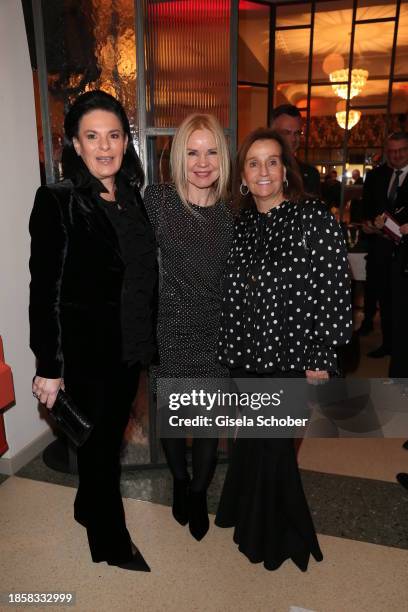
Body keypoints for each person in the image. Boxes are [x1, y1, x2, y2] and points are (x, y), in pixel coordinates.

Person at [29, 90, 157, 571]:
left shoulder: (130, 199)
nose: (105, 146)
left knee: (110, 439)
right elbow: (46, 291)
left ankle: (86, 507)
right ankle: (110, 541)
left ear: (126, 141)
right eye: (92, 136)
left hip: (130, 349)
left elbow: (141, 275)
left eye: (114, 135)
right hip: (86, 356)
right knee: (102, 452)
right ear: (75, 145)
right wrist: (49, 367)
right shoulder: (57, 201)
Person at [215, 128, 352, 571]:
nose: (263, 171)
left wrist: (323, 355)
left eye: (272, 161)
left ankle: (278, 539)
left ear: (286, 169)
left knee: (273, 446)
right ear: (242, 175)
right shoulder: (241, 223)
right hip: (245, 355)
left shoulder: (312, 216)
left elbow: (335, 288)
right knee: (256, 444)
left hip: (293, 355)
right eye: (253, 163)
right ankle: (250, 521)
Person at [144, 114, 233, 541]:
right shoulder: (157, 201)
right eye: (192, 152)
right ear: (179, 157)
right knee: (174, 422)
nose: (202, 162)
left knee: (209, 426)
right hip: (167, 331)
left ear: (223, 157)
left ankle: (198, 492)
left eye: (211, 151)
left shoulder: (234, 215)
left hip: (215, 335)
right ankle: (180, 480)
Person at [362, 132, 408, 358]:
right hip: (380, 248)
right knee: (385, 300)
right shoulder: (376, 176)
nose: (396, 155)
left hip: (405, 254)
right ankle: (388, 343)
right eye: (392, 151)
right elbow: (367, 207)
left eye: (401, 150)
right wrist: (368, 224)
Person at [270, 104, 321, 197]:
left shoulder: (310, 174)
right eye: (286, 132)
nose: (293, 139)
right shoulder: (260, 171)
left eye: (297, 133)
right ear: (272, 134)